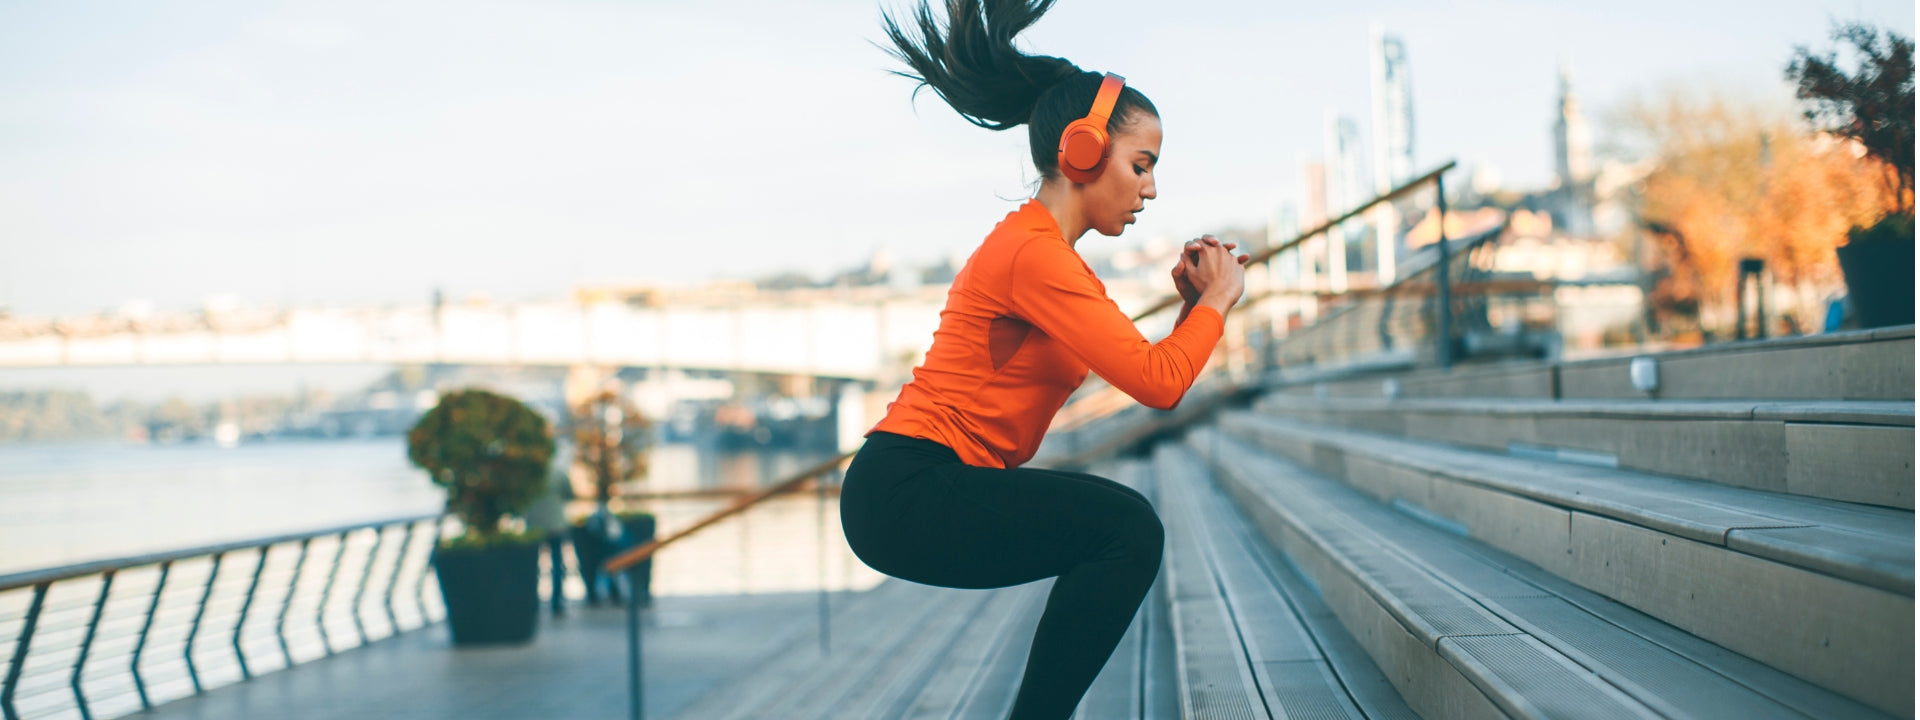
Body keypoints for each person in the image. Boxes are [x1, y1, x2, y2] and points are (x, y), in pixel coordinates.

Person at [838, 1, 1247, 717]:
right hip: (907, 488)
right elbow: (1158, 385)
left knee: (1120, 526)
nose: (1151, 188)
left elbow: (1154, 372)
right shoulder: (1034, 256)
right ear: (1081, 151)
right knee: (1125, 529)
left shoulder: (1053, 262)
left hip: (918, 485)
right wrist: (1217, 300)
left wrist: (1192, 310)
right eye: (1141, 165)